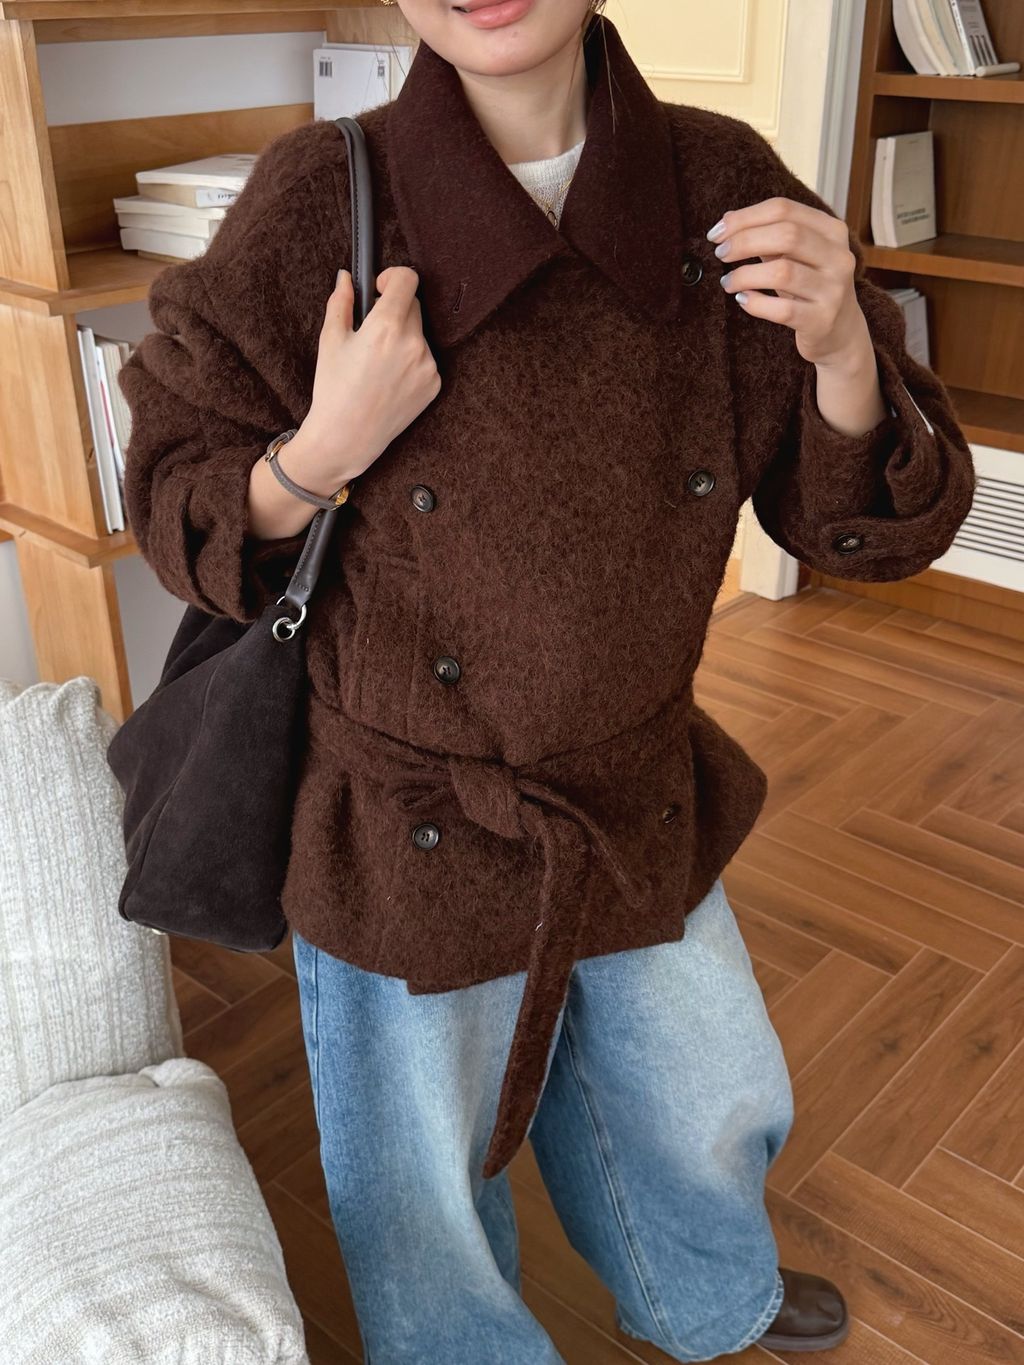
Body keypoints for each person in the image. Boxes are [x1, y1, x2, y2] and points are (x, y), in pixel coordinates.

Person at [118, 1, 977, 1360]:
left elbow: (855, 529)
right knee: (420, 1183)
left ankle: (704, 1295)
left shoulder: (723, 183)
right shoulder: (316, 199)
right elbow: (172, 495)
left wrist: (845, 356)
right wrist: (320, 452)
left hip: (634, 778)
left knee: (698, 1098)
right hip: (400, 813)